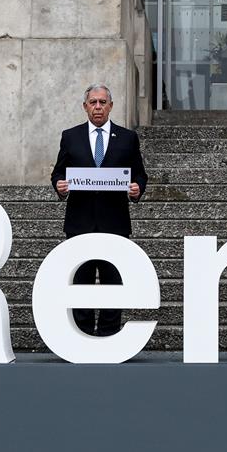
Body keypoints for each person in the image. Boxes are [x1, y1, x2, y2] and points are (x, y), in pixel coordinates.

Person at [51, 84, 147, 337]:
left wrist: (137, 188)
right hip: (79, 222)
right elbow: (59, 172)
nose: (97, 107)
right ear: (85, 107)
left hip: (114, 222)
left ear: (110, 106)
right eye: (93, 102)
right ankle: (81, 333)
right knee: (80, 280)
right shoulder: (70, 136)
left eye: (102, 102)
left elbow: (139, 174)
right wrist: (60, 185)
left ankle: (108, 333)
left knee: (112, 280)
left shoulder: (127, 138)